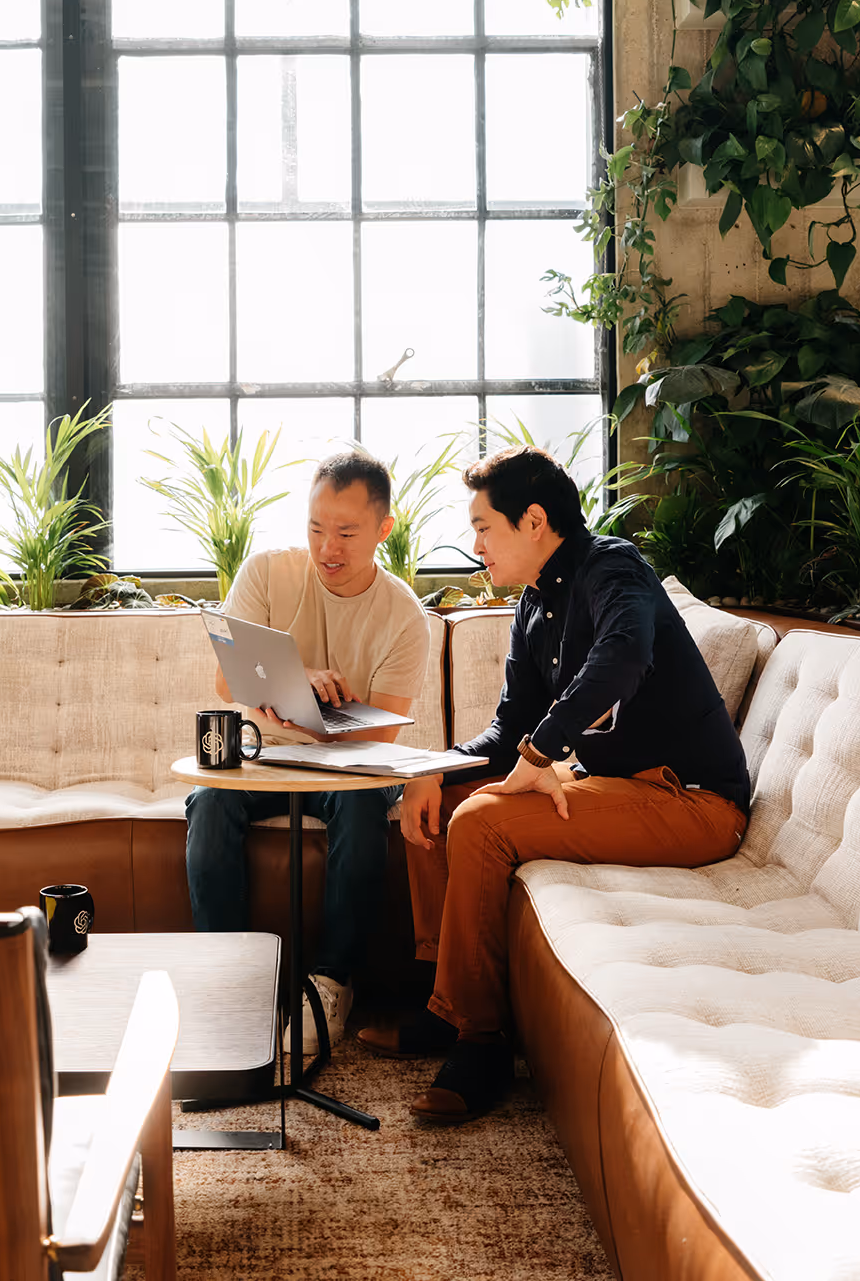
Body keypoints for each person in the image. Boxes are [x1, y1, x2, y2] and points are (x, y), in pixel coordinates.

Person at [358, 445, 750, 1122]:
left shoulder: (612, 567)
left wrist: (543, 752)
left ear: (534, 521)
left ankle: (481, 1041)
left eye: (484, 527)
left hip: (692, 802)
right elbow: (507, 728)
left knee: (479, 823)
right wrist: (431, 769)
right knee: (438, 800)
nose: (476, 545)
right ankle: (445, 1004)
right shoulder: (534, 604)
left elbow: (623, 655)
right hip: (619, 789)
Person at [186, 448, 432, 1047]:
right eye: (316, 529)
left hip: (349, 767)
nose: (328, 548)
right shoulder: (266, 573)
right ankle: (232, 977)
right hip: (265, 753)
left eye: (346, 533)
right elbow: (227, 682)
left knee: (362, 805)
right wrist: (294, 683)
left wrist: (312, 709)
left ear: (383, 529)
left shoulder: (403, 615)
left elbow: (380, 735)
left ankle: (330, 981)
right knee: (209, 801)